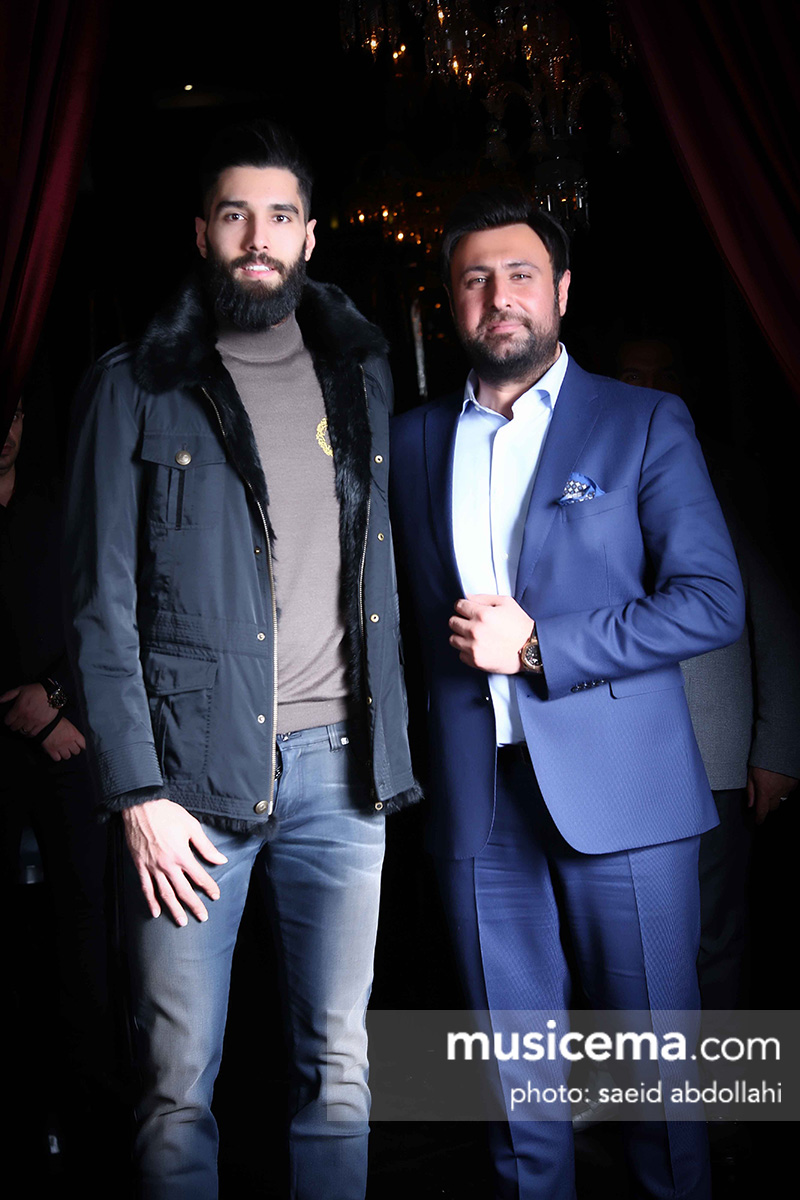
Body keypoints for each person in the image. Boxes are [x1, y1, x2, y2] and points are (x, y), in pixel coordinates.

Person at [64, 119, 419, 1200]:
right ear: (202, 234)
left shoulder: (360, 377)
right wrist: (136, 793)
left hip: (343, 776)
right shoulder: (133, 383)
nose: (257, 237)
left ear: (310, 236)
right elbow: (98, 612)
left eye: (278, 216)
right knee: (176, 1088)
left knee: (341, 1069)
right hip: (186, 789)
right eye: (234, 215)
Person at [389, 190, 745, 1200]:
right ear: (450, 301)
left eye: (520, 275)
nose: (498, 296)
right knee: (515, 1096)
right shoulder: (408, 442)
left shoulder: (641, 421)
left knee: (657, 1083)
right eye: (474, 279)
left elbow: (711, 600)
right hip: (476, 806)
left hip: (625, 798)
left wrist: (543, 647)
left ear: (561, 291)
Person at [1, 397, 121, 1195]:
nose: (6, 429)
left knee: (86, 932)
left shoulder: (57, 505)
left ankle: (93, 1128)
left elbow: (104, 609)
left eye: (12, 411)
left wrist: (51, 701)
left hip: (71, 741)